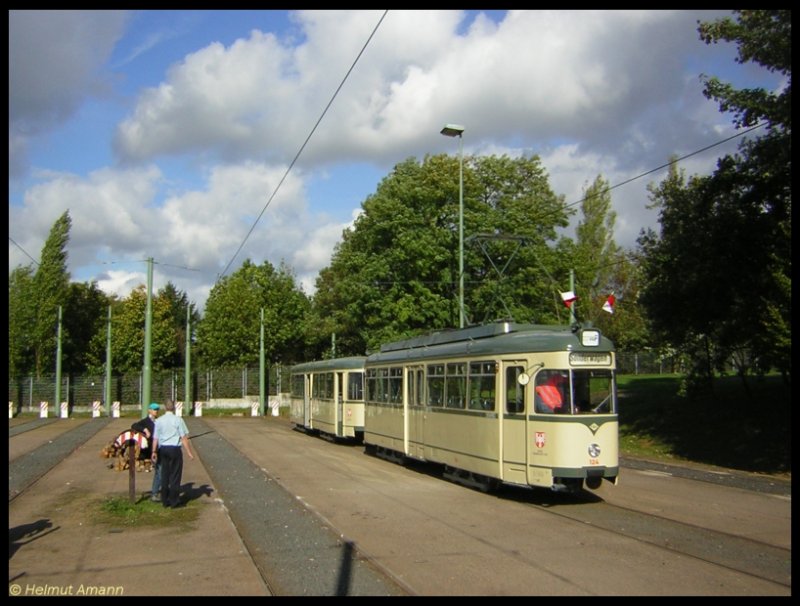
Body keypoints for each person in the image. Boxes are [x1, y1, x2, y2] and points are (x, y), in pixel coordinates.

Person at [151, 400, 194, 508]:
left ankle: (165, 500)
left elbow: (155, 438)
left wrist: (153, 451)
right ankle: (174, 501)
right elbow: (183, 437)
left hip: (163, 449)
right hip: (175, 449)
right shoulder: (178, 420)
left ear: (164, 407)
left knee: (164, 474)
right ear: (174, 407)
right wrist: (189, 452)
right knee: (175, 475)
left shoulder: (159, 421)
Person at [132, 403, 162, 502]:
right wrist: (145, 429)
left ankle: (158, 491)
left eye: (157, 409)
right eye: (154, 409)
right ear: (149, 410)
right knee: (159, 471)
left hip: (160, 448)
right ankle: (156, 493)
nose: (156, 411)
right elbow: (134, 425)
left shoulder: (159, 421)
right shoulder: (145, 421)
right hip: (151, 450)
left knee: (160, 471)